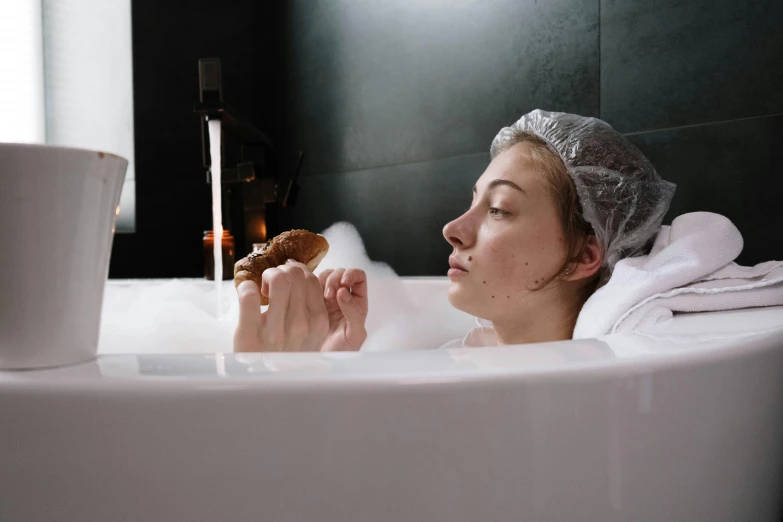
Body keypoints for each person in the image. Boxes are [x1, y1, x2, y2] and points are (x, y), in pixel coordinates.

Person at [233, 110, 676, 352]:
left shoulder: (578, 403)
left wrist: (270, 378)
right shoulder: (451, 355)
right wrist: (328, 366)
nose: (452, 229)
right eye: (472, 202)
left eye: (499, 209)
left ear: (584, 256)